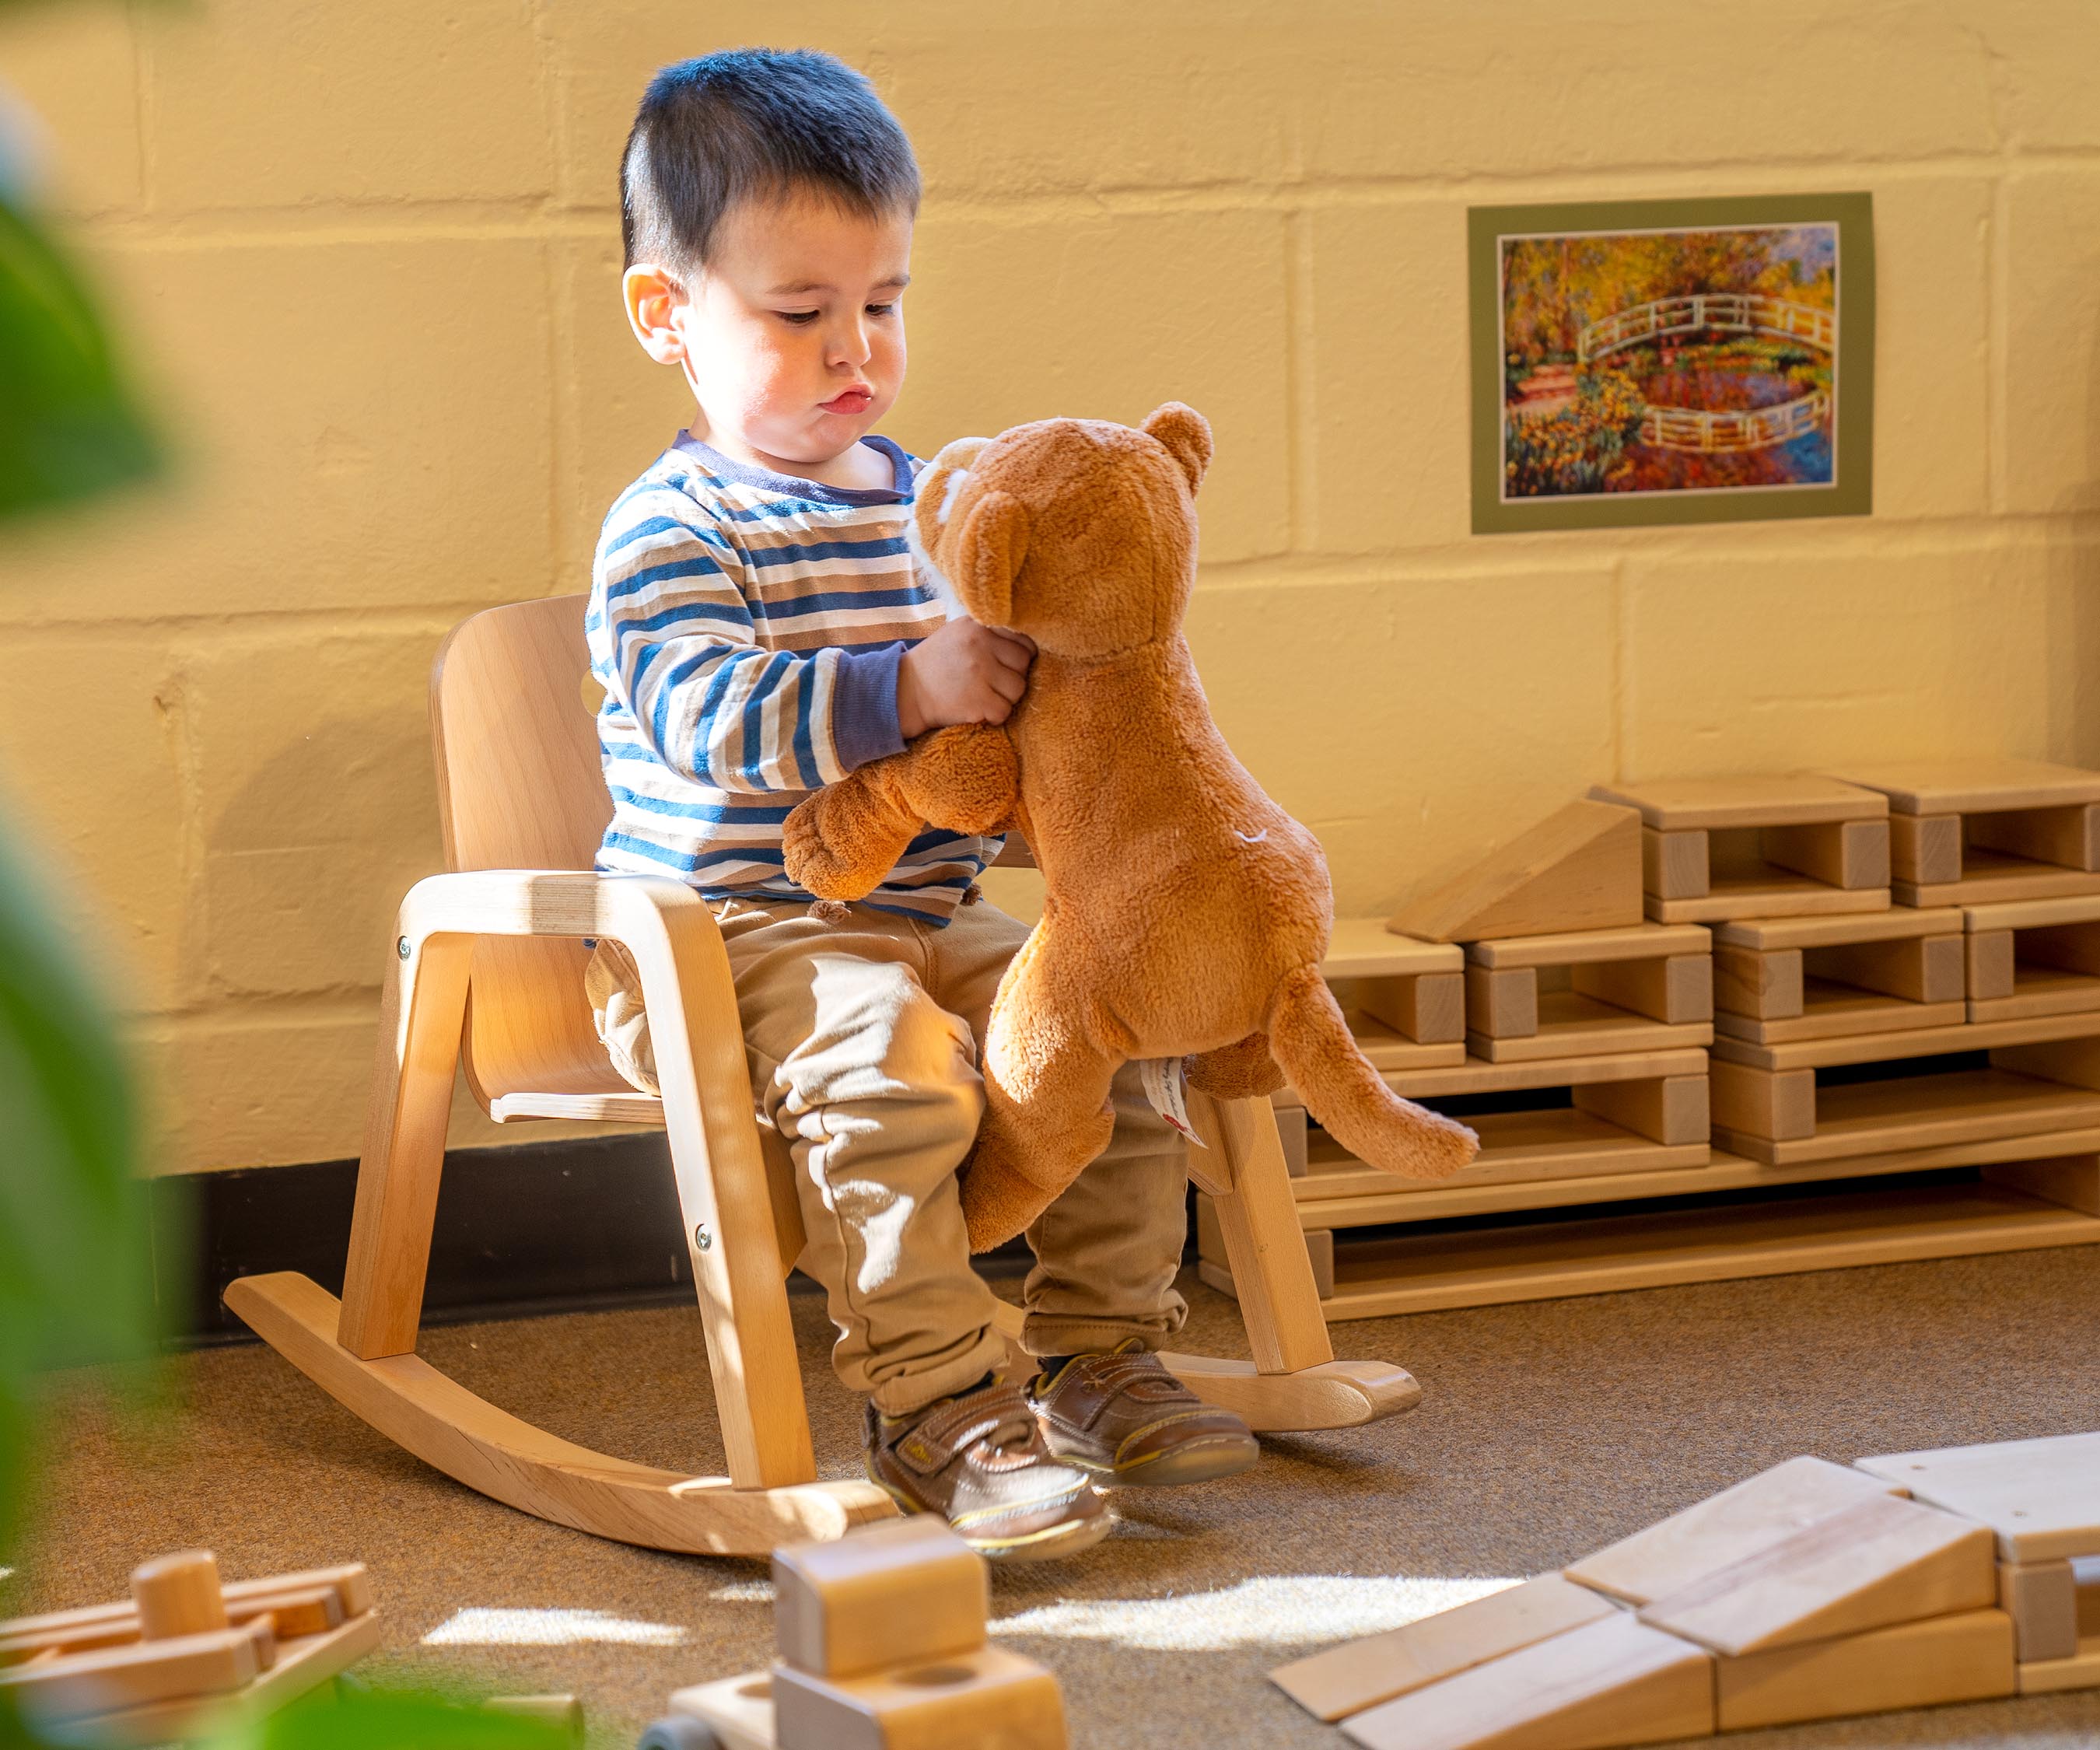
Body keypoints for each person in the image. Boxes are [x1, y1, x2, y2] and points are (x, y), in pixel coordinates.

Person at [584, 49, 1258, 1561]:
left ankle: (1102, 1353)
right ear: (667, 317)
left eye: (882, 304)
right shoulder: (670, 528)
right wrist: (913, 688)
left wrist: (1085, 793)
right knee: (885, 1061)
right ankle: (938, 1397)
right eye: (801, 313)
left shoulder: (923, 505)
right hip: (722, 933)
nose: (856, 351)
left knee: (1106, 1019)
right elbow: (708, 724)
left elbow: (994, 741)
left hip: (922, 905)